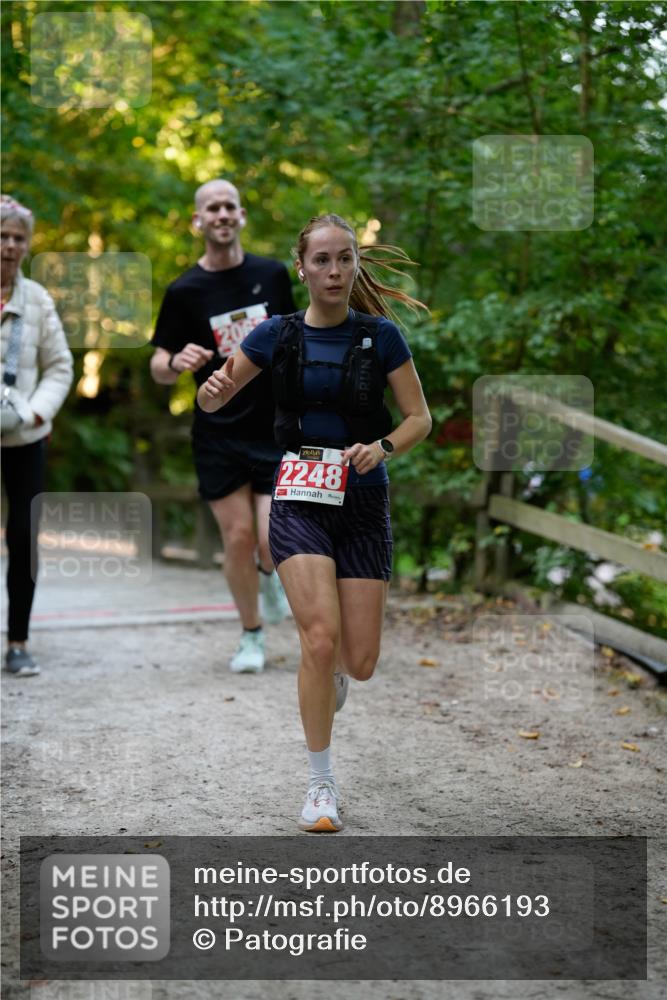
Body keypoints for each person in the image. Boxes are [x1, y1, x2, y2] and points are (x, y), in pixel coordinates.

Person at [198, 213, 432, 832]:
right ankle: (320, 786)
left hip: (362, 501)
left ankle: (331, 676)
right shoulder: (275, 334)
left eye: (345, 258)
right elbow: (218, 390)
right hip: (298, 496)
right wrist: (212, 393)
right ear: (301, 268)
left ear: (356, 264)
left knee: (358, 661)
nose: (334, 270)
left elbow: (418, 420)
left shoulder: (380, 337)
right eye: (322, 260)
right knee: (318, 637)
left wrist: (381, 447)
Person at [150, 180, 296, 673]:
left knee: (270, 535)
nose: (221, 214)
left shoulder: (273, 275)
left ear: (242, 215)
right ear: (198, 221)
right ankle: (251, 635)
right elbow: (158, 364)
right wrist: (175, 361)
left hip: (273, 426)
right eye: (211, 207)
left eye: (229, 205)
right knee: (236, 538)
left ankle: (270, 572)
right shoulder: (184, 291)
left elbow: (297, 335)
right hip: (217, 430)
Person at [1, 194, 74, 676]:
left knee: (25, 537)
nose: (9, 245)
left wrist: (33, 413)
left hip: (23, 438)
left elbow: (60, 367)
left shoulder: (38, 300)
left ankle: (19, 642)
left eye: (18, 238)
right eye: (3, 236)